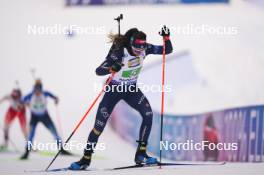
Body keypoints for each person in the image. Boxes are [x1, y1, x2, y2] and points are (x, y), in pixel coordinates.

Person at [70, 26, 173, 170]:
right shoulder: (119, 52)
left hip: (131, 89)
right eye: (136, 50)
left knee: (148, 115)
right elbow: (98, 71)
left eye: (141, 50)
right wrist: (111, 68)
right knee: (99, 127)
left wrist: (166, 38)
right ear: (130, 44)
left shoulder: (145, 48)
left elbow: (166, 50)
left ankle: (141, 154)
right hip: (114, 90)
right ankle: (85, 159)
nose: (139, 53)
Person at [20, 79, 71, 159]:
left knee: (54, 132)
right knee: (31, 135)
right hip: (34, 117)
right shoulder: (31, 95)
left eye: (39, 90)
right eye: (36, 90)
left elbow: (55, 97)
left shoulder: (45, 93)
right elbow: (22, 100)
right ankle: (27, 152)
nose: (37, 92)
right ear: (34, 89)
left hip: (45, 116)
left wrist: (56, 100)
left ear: (41, 89)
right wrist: (25, 103)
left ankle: (61, 149)